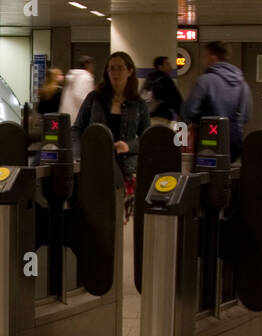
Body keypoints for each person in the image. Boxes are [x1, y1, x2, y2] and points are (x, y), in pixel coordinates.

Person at [74, 52, 149, 221]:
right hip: (96, 165)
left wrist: (128, 146)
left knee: (119, 220)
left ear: (130, 71)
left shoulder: (139, 104)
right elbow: (77, 128)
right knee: (97, 218)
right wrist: (80, 155)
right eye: (111, 68)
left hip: (125, 169)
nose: (115, 73)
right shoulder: (94, 99)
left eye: (120, 68)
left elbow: (146, 138)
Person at [182, 41, 251, 158]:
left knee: (203, 172)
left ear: (212, 57)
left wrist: (194, 122)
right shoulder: (241, 83)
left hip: (208, 140)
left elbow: (189, 110)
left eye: (205, 56)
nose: (203, 60)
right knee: (228, 173)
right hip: (233, 141)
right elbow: (246, 115)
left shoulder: (205, 81)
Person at [141, 55, 182, 126]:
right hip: (161, 120)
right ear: (160, 67)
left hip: (146, 120)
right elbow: (177, 101)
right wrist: (184, 118)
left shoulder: (149, 79)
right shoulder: (166, 80)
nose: (170, 67)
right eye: (167, 64)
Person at [59, 56, 96, 123]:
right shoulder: (86, 77)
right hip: (77, 118)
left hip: (66, 116)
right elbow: (83, 98)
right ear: (88, 65)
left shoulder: (72, 76)